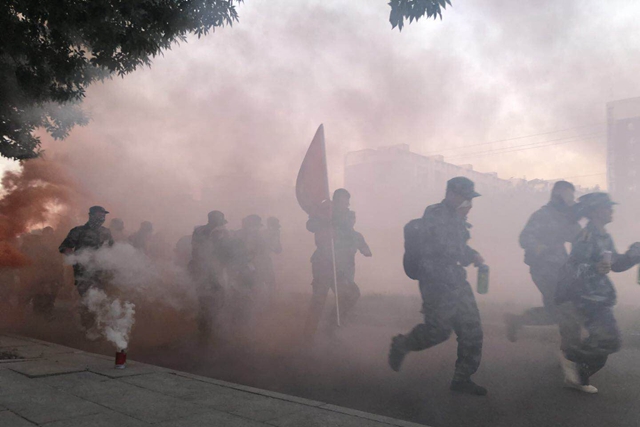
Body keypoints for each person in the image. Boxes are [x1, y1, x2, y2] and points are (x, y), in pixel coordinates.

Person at [388, 177, 487, 396]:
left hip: (456, 281)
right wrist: (468, 254)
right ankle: (402, 344)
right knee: (438, 331)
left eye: (471, 199)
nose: (469, 204)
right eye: (466, 199)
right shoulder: (436, 215)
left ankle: (462, 378)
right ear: (452, 195)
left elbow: (459, 247)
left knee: (472, 330)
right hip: (436, 283)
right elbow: (446, 247)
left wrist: (473, 255)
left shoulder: (456, 218)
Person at [555, 192, 640, 393]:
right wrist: (595, 268)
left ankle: (575, 373)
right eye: (607, 207)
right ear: (594, 211)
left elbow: (614, 264)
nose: (611, 210)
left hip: (599, 296)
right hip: (586, 297)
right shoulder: (586, 236)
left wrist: (634, 253)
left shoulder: (604, 236)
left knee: (606, 341)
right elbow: (572, 268)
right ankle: (572, 361)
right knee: (609, 341)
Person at [504, 181, 581, 341]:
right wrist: (539, 247)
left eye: (572, 196)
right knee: (565, 308)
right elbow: (524, 238)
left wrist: (576, 218)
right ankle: (572, 348)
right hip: (544, 269)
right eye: (568, 195)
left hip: (561, 269)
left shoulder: (565, 217)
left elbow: (576, 237)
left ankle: (517, 321)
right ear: (558, 194)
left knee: (556, 312)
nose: (571, 199)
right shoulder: (542, 215)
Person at [303, 188, 370, 338]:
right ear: (337, 200)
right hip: (323, 263)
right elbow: (310, 226)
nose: (347, 204)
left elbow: (350, 233)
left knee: (350, 294)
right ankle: (308, 335)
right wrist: (324, 219)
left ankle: (330, 327)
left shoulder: (346, 216)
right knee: (319, 299)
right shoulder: (325, 212)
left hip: (339, 267)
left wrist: (361, 245)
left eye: (347, 201)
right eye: (344, 201)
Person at [59, 206, 114, 334]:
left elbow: (112, 250)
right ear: (91, 215)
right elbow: (65, 247)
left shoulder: (106, 232)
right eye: (99, 215)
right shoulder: (78, 231)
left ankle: (97, 328)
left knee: (101, 301)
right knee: (88, 300)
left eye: (103, 215)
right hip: (83, 274)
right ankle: (87, 329)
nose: (102, 218)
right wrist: (77, 260)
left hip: (101, 273)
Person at [190, 210, 232, 343]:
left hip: (200, 268)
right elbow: (225, 252)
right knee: (218, 298)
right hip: (213, 270)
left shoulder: (198, 231)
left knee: (203, 299)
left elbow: (194, 250)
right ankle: (210, 331)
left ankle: (205, 330)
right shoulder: (220, 232)